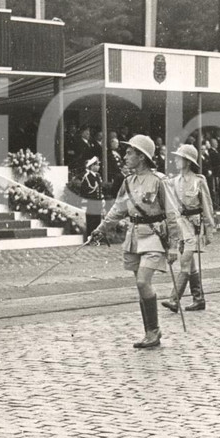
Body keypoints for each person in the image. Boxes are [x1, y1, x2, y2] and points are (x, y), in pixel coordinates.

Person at [89, 134, 180, 350]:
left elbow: (172, 214)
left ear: (142, 157)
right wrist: (101, 229)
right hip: (134, 238)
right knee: (141, 286)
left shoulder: (158, 181)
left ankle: (153, 330)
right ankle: (150, 332)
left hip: (154, 237)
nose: (125, 156)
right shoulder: (128, 182)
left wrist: (174, 246)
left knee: (142, 282)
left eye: (130, 153)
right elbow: (118, 210)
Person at [162, 144, 216, 313]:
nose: (176, 160)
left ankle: (174, 300)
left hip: (195, 227)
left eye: (179, 158)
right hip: (181, 227)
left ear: (187, 161)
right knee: (190, 265)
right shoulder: (173, 181)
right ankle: (199, 299)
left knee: (184, 261)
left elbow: (207, 206)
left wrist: (209, 230)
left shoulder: (198, 181)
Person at [81, 156, 104, 238]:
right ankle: (90, 238)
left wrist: (101, 199)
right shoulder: (87, 177)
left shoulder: (98, 176)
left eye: (98, 165)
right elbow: (83, 191)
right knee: (91, 221)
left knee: (98, 221)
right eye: (96, 165)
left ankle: (96, 239)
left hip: (98, 203)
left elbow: (100, 189)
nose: (98, 166)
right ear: (91, 166)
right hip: (91, 203)